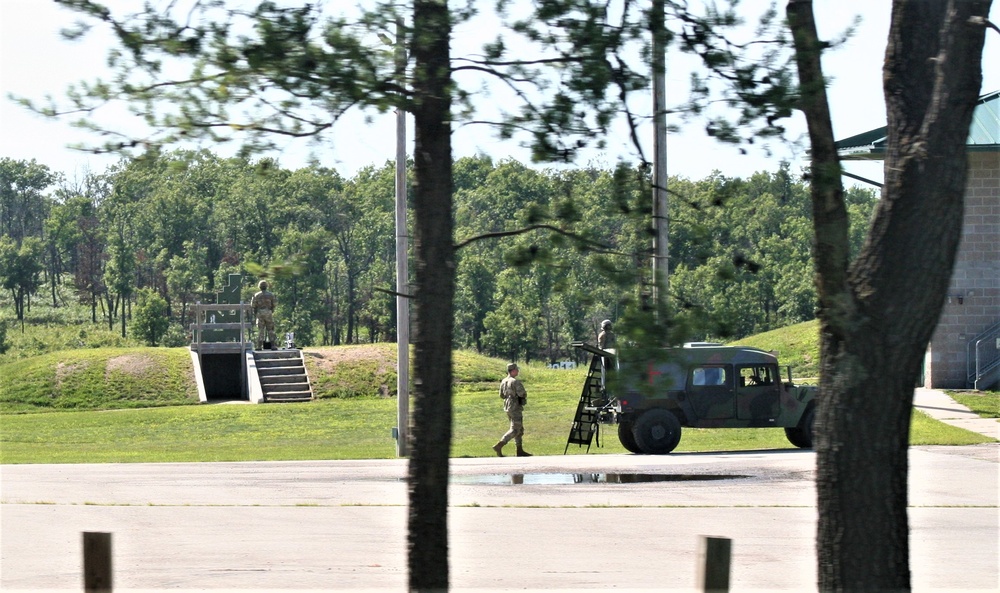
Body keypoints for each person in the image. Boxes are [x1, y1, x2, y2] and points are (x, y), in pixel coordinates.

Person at [492, 363, 532, 457]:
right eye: (517, 370)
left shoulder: (503, 381)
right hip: (515, 406)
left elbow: (501, 395)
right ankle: (500, 444)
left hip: (507, 406)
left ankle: (519, 450)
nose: (518, 371)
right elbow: (522, 393)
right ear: (513, 370)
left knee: (519, 428)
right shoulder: (515, 382)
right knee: (515, 429)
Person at [251, 280, 278, 350]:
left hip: (260, 313)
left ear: (259, 287)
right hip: (268, 312)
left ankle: (259, 346)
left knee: (261, 330)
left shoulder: (256, 295)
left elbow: (253, 305)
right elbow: (274, 304)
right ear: (266, 286)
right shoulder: (271, 295)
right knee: (270, 329)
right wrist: (271, 310)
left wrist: (255, 313)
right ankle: (273, 345)